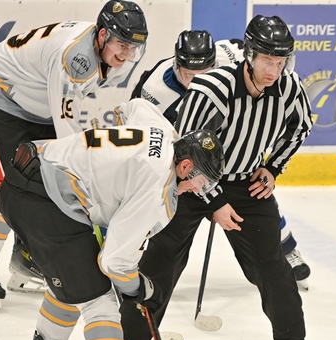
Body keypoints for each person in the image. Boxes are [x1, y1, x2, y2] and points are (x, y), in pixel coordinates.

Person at [0, 98, 224, 340]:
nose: (197, 189)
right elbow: (115, 263)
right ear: (186, 165)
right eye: (200, 182)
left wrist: (105, 163)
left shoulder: (162, 129)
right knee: (99, 297)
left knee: (74, 280)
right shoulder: (155, 186)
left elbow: (130, 106)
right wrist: (140, 289)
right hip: (46, 200)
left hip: (26, 176)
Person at [120, 15, 314, 340]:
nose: (274, 70)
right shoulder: (212, 88)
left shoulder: (289, 88)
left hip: (247, 185)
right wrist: (215, 200)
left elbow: (300, 127)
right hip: (194, 183)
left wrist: (274, 168)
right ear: (250, 54)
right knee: (162, 260)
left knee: (271, 264)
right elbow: (187, 151)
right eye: (267, 61)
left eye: (280, 61)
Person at [0, 1, 149, 312]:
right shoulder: (76, 58)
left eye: (134, 47)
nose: (127, 54)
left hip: (34, 103)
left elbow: (68, 120)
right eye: (122, 44)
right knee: (13, 186)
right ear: (102, 35)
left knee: (41, 181)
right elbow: (68, 136)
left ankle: (23, 260)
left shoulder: (105, 55)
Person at [129, 29, 312, 292]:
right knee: (161, 200)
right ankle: (134, 258)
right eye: (190, 75)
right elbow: (144, 135)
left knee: (257, 186)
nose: (199, 80)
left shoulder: (233, 57)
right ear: (176, 65)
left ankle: (286, 248)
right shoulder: (155, 90)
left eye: (207, 70)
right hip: (180, 150)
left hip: (227, 148)